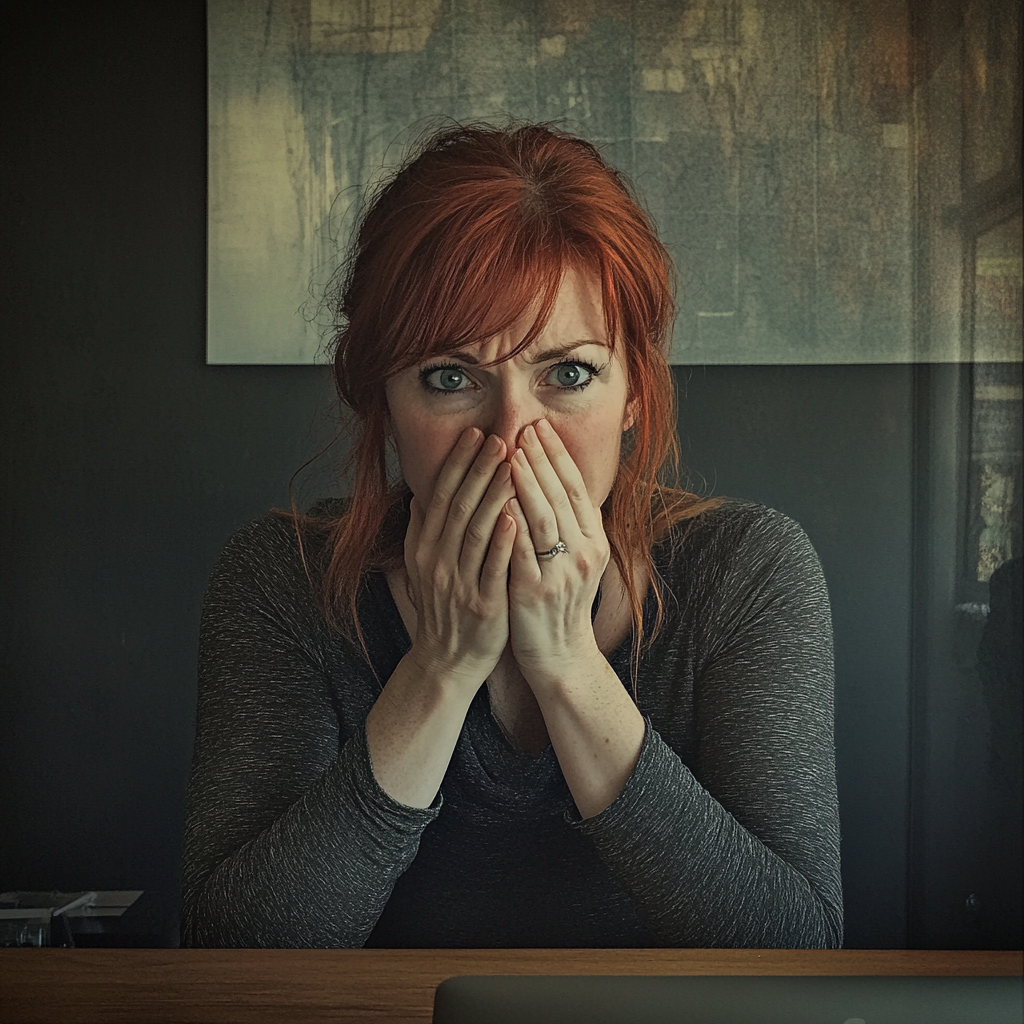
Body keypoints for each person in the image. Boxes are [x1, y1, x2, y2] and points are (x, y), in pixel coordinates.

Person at [181, 122, 843, 949]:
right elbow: (238, 955)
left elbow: (794, 951)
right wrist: (442, 667)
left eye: (568, 374)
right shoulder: (283, 581)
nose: (513, 437)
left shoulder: (746, 573)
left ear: (633, 388)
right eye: (451, 378)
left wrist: (566, 663)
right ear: (384, 400)